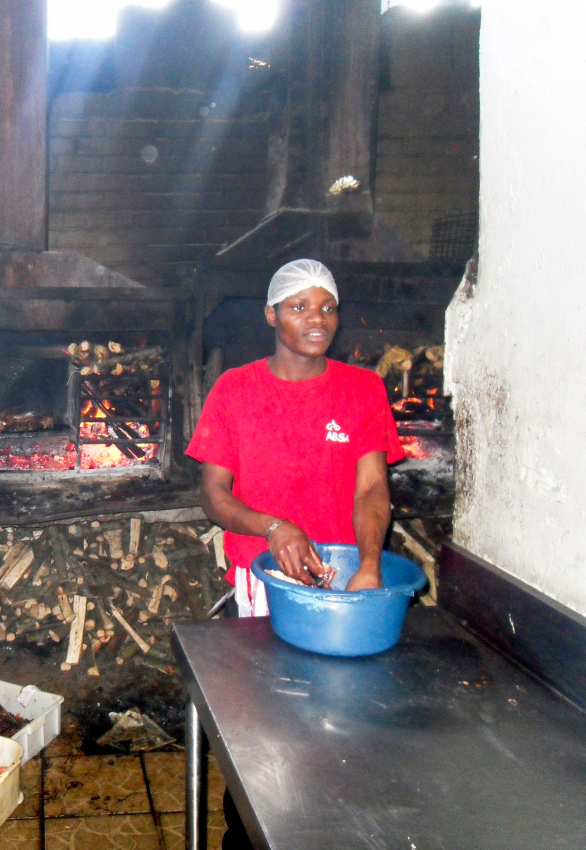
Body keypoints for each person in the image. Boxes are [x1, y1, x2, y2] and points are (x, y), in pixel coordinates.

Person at [186, 258, 404, 847]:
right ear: (271, 315)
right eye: (299, 307)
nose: (317, 319)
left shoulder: (363, 389)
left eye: (327, 306)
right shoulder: (235, 389)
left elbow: (371, 488)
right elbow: (213, 495)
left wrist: (369, 566)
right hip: (263, 588)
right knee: (260, 736)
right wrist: (273, 526)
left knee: (338, 729)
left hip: (340, 587)